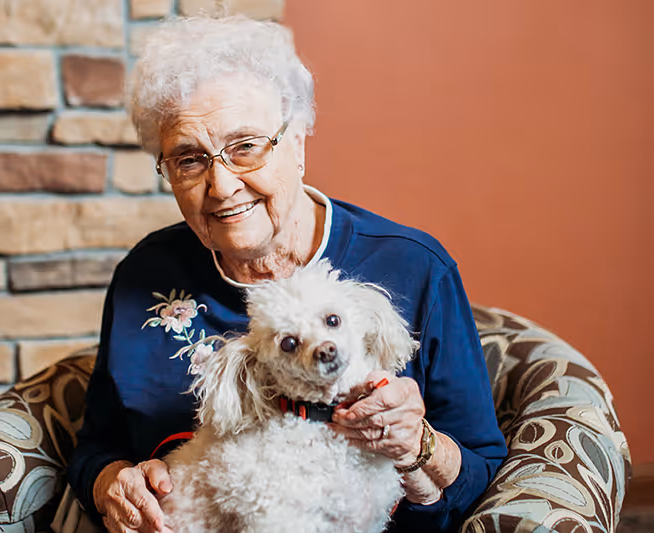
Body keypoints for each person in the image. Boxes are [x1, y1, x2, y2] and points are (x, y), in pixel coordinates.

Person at [67, 15, 507, 533]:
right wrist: (112, 482)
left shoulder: (414, 268)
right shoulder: (144, 274)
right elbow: (96, 445)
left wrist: (419, 447)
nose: (222, 185)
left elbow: (482, 467)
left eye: (245, 146)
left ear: (297, 140)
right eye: (190, 159)